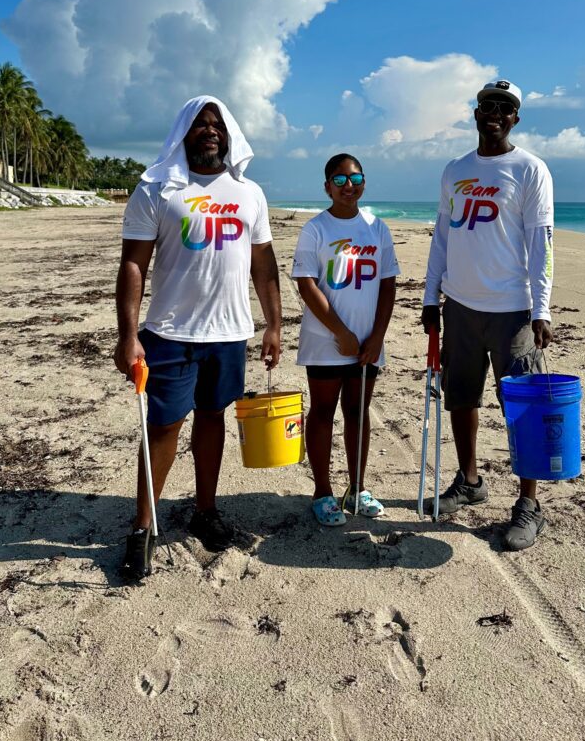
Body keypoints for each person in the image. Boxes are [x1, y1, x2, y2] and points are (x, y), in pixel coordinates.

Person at [114, 95, 282, 578]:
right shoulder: (157, 189)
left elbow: (263, 263)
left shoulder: (249, 193)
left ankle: (205, 510)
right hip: (169, 332)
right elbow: (133, 265)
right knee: (164, 426)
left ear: (229, 135)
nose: (210, 131)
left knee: (213, 416)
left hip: (230, 333)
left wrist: (272, 324)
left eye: (217, 125)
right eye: (200, 124)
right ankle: (144, 526)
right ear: (183, 132)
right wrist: (128, 335)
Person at [421, 79, 554, 551]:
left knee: (524, 407)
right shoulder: (455, 170)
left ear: (515, 118)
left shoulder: (530, 169)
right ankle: (470, 480)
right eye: (486, 106)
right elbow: (443, 236)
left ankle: (529, 503)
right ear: (475, 113)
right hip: (459, 305)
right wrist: (429, 297)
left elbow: (541, 244)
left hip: (512, 310)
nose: (494, 113)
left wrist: (542, 308)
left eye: (505, 107)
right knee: (461, 398)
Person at [292, 154, 399, 526]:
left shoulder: (377, 227)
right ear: (327, 187)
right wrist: (340, 332)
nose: (347, 186)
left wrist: (377, 337)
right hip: (326, 341)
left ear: (364, 184)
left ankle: (357, 487)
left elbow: (388, 284)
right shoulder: (315, 229)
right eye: (339, 180)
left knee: (357, 413)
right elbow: (306, 284)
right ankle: (322, 492)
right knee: (322, 413)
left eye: (355, 178)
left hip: (368, 343)